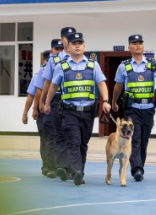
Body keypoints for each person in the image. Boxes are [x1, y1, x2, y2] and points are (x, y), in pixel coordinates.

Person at [43, 32, 111, 186]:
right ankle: (76, 171)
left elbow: (101, 83)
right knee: (74, 141)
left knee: (82, 144)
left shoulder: (93, 65)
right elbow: (53, 86)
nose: (77, 46)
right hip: (69, 112)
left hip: (88, 112)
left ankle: (79, 172)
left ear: (84, 46)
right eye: (74, 43)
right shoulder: (62, 66)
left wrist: (106, 101)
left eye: (80, 43)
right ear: (68, 47)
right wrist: (47, 103)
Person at [112, 34, 156, 182]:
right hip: (132, 109)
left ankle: (139, 166)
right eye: (134, 43)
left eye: (140, 43)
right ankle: (137, 169)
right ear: (129, 47)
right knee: (135, 138)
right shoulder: (124, 66)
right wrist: (114, 101)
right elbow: (118, 86)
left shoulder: (152, 64)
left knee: (144, 140)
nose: (138, 45)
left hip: (148, 109)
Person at [39, 28, 75, 178]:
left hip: (72, 101)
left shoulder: (80, 59)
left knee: (72, 136)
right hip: (56, 100)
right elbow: (47, 82)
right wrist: (43, 101)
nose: (69, 40)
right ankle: (57, 166)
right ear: (62, 39)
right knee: (55, 134)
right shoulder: (53, 60)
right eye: (66, 37)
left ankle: (70, 168)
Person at [22, 49, 52, 176]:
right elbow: (31, 95)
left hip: (56, 110)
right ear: (44, 61)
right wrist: (26, 113)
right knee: (45, 139)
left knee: (55, 140)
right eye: (48, 60)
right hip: (42, 112)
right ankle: (46, 165)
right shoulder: (37, 76)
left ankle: (56, 166)